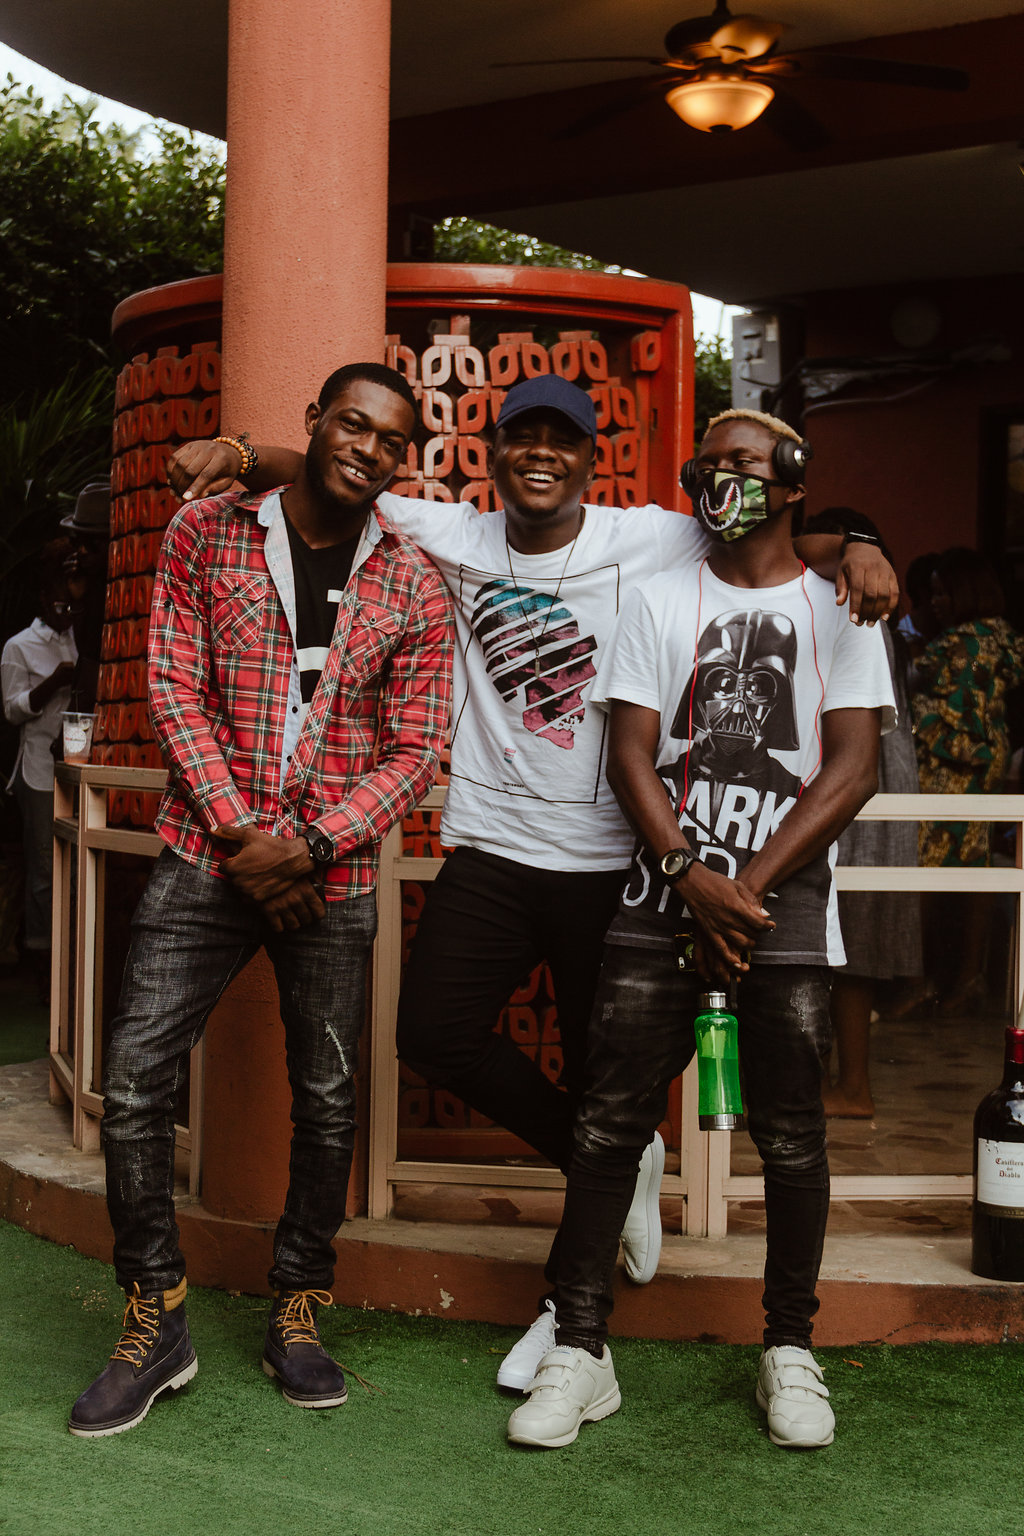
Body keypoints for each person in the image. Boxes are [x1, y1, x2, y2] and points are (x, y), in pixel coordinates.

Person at [168, 376, 898, 1396]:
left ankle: (569, 1313)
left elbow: (774, 536)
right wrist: (246, 456)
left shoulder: (650, 536)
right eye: (522, 438)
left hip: (611, 861)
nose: (541, 454)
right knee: (434, 1032)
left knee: (608, 1082)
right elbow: (340, 472)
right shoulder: (457, 535)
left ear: (593, 459)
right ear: (495, 454)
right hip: (493, 847)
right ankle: (616, 1163)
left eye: (563, 439)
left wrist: (861, 541)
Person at [68, 363, 454, 1437]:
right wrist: (246, 840)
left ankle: (298, 1306)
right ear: (314, 422)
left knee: (326, 1098)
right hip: (207, 854)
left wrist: (309, 848)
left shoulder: (415, 583)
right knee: (134, 1082)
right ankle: (156, 1316)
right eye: (352, 424)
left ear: (402, 460)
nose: (367, 448)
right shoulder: (206, 532)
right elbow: (172, 685)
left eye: (390, 439)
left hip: (331, 872)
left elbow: (417, 746)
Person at [504, 409, 894, 1452]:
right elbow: (629, 750)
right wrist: (688, 874)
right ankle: (579, 1349)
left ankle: (789, 1347)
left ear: (794, 481)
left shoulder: (842, 604)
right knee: (607, 1123)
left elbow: (853, 766)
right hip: (657, 903)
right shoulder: (660, 594)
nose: (722, 478)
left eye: (745, 464)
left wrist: (743, 890)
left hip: (781, 912)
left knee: (792, 1136)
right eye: (708, 463)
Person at [802, 510, 922, 1119]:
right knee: (847, 937)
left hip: (857, 784)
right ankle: (839, 1081)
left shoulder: (854, 608)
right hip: (878, 781)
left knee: (849, 936)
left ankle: (851, 1088)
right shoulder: (878, 612)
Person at [912, 547, 1024, 1017]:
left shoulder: (963, 644)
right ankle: (967, 980)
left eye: (943, 592)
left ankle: (921, 981)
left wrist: (911, 713)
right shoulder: (1003, 638)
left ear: (967, 590)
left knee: (922, 872)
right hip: (985, 766)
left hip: (953, 768)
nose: (935, 602)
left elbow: (956, 718)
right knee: (974, 871)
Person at [2, 552, 78, 998]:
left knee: (74, 867)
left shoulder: (81, 635)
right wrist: (52, 683)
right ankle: (41, 959)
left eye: (72, 603)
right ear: (43, 598)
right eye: (59, 602)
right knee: (44, 868)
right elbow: (12, 710)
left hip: (76, 767)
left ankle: (70, 955)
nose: (67, 609)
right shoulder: (19, 646)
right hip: (37, 768)